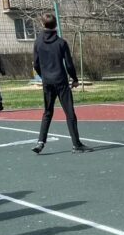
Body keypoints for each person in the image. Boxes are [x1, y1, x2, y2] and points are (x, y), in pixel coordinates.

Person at [31, 14, 91, 154]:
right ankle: (76, 144)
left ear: (43, 24)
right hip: (61, 81)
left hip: (47, 82)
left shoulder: (37, 42)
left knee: (47, 112)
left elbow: (36, 64)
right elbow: (69, 64)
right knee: (70, 113)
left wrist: (44, 76)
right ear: (56, 25)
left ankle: (40, 142)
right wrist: (74, 79)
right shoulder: (61, 43)